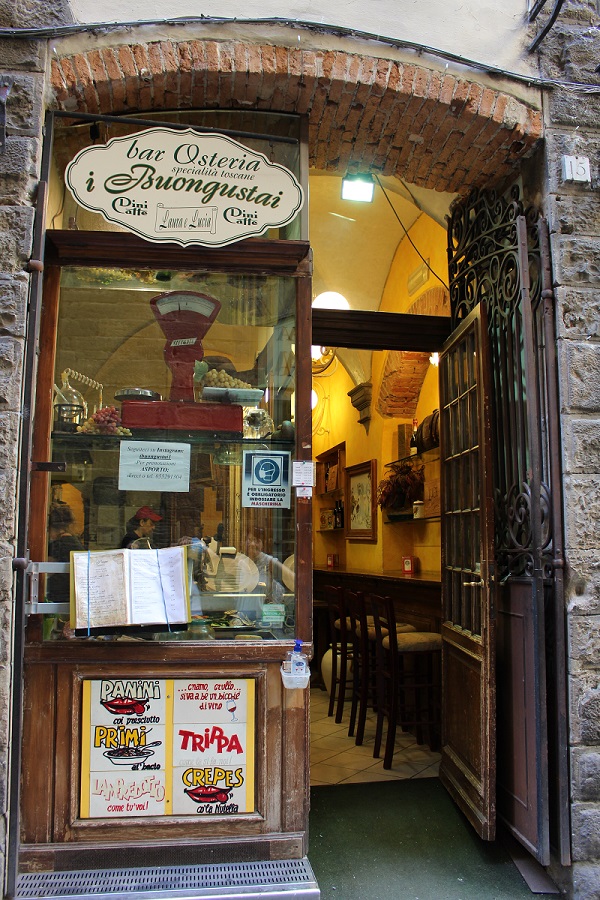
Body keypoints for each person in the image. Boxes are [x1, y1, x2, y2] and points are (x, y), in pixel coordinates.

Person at [47, 503, 84, 602]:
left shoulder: (58, 545)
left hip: (61, 595)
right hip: (73, 593)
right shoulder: (74, 542)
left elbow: (48, 570)